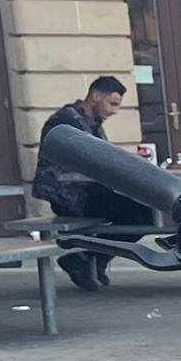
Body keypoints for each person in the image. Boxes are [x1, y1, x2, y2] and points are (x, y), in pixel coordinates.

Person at [34, 76, 153, 291]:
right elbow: (90, 160)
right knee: (141, 214)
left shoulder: (90, 122)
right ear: (97, 96)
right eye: (112, 104)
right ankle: (88, 258)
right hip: (69, 194)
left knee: (145, 211)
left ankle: (93, 259)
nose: (114, 110)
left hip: (88, 189)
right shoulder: (67, 121)